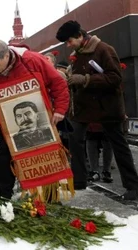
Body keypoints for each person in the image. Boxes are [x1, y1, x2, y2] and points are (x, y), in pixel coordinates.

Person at [0, 39, 69, 200]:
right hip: (8, 126)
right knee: (5, 158)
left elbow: (58, 83)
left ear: (6, 56)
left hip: (41, 122)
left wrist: (60, 109)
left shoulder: (33, 60)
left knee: (44, 158)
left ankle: (49, 196)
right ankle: (4, 196)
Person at [56, 20, 138, 200]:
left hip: (107, 106)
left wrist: (85, 79)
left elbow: (115, 77)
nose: (69, 45)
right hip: (84, 107)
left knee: (119, 145)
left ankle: (133, 186)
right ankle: (79, 180)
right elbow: (77, 77)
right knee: (75, 138)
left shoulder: (104, 49)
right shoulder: (77, 54)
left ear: (79, 35)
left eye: (70, 41)